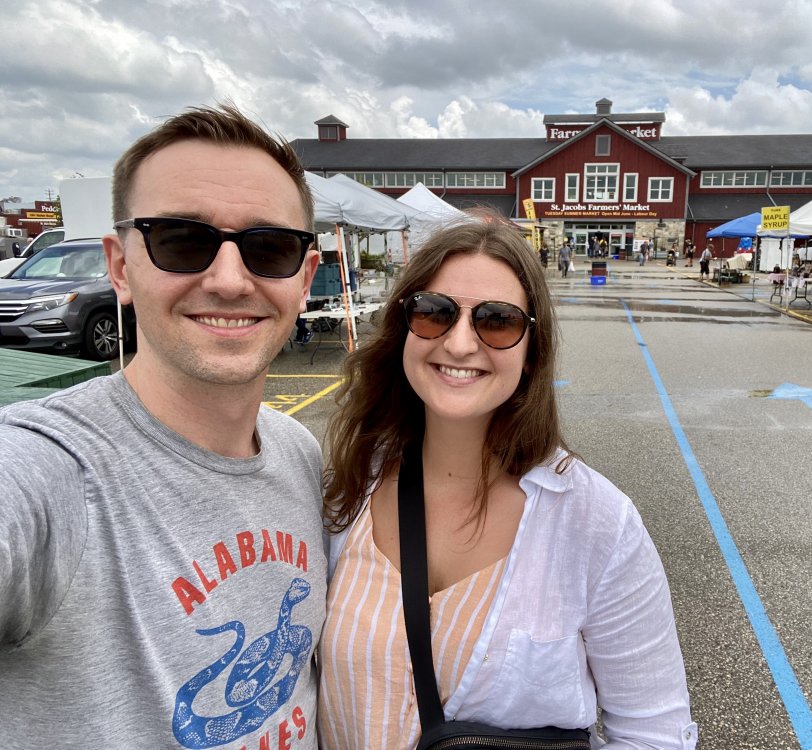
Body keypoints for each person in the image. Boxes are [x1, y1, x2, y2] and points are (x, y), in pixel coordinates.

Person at [0, 105, 328, 749]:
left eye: (270, 249)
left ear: (304, 277)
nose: (231, 280)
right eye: (182, 240)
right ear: (121, 267)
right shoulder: (50, 471)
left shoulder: (300, 452)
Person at [318, 215, 697, 749]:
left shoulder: (596, 521)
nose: (460, 344)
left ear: (532, 349)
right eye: (434, 313)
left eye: (497, 321)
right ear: (404, 326)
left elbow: (654, 730)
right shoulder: (349, 486)